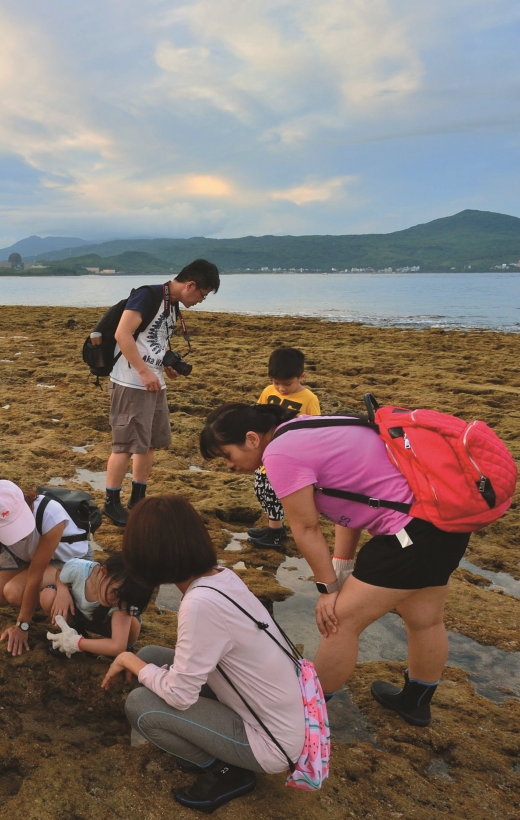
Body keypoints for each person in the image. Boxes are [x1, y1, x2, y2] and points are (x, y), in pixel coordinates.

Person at [198, 402, 472, 726]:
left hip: (411, 535)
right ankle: (415, 702)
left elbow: (306, 528)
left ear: (252, 439)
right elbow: (352, 498)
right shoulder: (310, 427)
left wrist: (328, 590)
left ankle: (306, 717)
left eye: (227, 455)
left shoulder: (279, 454)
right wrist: (341, 565)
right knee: (425, 619)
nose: (228, 465)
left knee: (339, 620)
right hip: (445, 523)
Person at [108, 495, 306, 812]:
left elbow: (180, 696)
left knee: (141, 706)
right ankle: (211, 747)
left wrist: (127, 658)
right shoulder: (220, 576)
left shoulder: (199, 605)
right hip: (282, 711)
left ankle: (225, 771)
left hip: (272, 742)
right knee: (150, 655)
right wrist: (140, 662)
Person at [102, 260, 221, 527]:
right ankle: (111, 503)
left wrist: (165, 363)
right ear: (190, 285)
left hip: (153, 383)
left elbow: (154, 341)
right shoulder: (148, 295)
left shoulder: (172, 305)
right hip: (131, 382)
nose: (201, 301)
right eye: (202, 295)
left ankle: (138, 499)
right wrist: (143, 371)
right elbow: (123, 334)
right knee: (125, 444)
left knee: (149, 443)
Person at [0, 480, 91, 656]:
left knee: (14, 592)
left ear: (26, 504)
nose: (20, 533)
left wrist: (22, 625)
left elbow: (35, 575)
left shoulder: (51, 515)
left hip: (68, 560)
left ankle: (55, 596)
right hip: (30, 558)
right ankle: (38, 596)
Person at [248, 347, 321, 551]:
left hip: (288, 457)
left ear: (302, 377)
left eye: (287, 384)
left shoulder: (309, 399)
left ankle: (275, 534)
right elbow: (258, 415)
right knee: (261, 490)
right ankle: (275, 528)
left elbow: (314, 429)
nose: (280, 388)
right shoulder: (267, 391)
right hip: (267, 453)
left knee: (273, 493)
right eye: (276, 383)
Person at [44, 552, 152, 658]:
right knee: (47, 595)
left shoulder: (122, 601)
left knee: (132, 623)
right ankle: (75, 633)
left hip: (108, 626)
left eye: (125, 599)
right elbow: (60, 572)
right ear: (103, 572)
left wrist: (76, 643)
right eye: (115, 592)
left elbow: (118, 646)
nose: (115, 602)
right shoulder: (79, 568)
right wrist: (62, 591)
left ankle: (98, 648)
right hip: (80, 615)